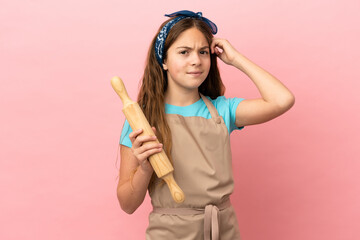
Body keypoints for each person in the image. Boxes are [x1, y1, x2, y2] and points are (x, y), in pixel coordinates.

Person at [116, 10, 295, 240]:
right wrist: (145, 168)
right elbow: (127, 204)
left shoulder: (222, 111)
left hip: (223, 230)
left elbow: (283, 100)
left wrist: (236, 59)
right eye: (184, 52)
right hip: (169, 234)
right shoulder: (141, 120)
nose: (196, 61)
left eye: (203, 52)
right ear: (163, 61)